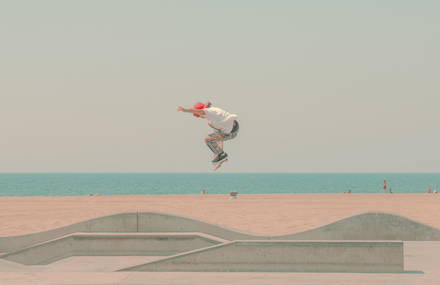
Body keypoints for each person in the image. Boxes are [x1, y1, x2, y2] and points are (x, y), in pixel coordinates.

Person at [177, 102, 239, 167]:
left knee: (207, 139)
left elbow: (198, 111)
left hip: (231, 132)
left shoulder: (208, 112)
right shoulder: (214, 114)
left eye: (199, 116)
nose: (200, 117)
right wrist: (219, 159)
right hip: (233, 127)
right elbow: (218, 140)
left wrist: (184, 110)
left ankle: (222, 155)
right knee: (211, 138)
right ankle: (221, 156)